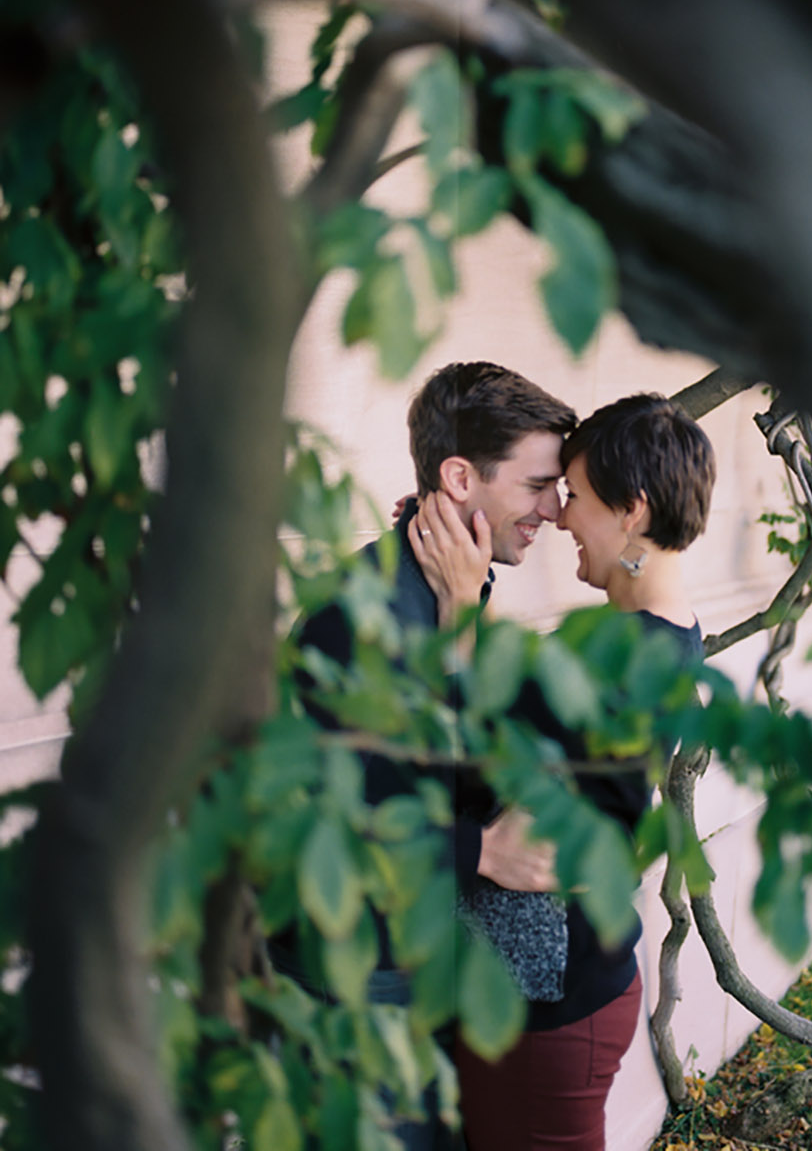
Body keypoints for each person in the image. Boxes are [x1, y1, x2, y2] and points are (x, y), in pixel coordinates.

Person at [275, 360, 577, 1151]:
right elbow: (330, 813)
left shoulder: (456, 583)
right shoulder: (357, 616)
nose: (554, 508)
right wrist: (485, 850)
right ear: (459, 477)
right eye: (538, 485)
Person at [409, 392, 716, 1151]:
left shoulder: (615, 661)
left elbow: (474, 767)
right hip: (550, 991)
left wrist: (456, 608)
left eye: (574, 496)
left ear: (633, 511)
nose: (559, 517)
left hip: (552, 1010)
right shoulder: (658, 634)